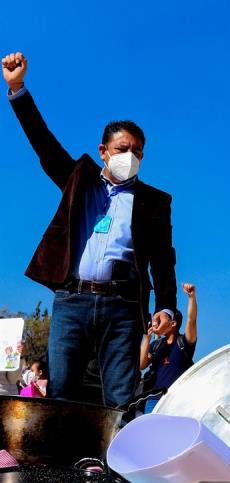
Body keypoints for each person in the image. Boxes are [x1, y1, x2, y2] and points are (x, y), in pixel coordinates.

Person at [2, 52, 177, 408]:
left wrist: (168, 307)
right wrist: (18, 89)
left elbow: (163, 258)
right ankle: (59, 465)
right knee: (63, 391)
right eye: (122, 149)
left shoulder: (154, 201)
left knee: (119, 396)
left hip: (123, 305)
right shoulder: (78, 181)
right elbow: (43, 144)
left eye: (138, 151)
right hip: (72, 300)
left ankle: (115, 464)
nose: (130, 156)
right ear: (104, 151)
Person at [140, 283, 197, 399]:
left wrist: (191, 297)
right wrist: (146, 337)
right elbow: (141, 365)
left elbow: (192, 320)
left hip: (177, 400)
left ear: (173, 323)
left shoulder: (184, 343)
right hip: (153, 400)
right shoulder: (156, 345)